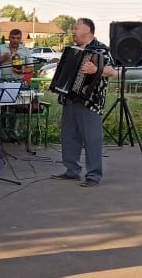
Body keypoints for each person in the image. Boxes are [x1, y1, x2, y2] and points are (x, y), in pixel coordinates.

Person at [50, 17, 116, 187]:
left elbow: (112, 71)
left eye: (76, 28)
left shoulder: (101, 50)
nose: (73, 31)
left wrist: (96, 69)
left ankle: (93, 175)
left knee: (92, 139)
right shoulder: (73, 50)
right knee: (69, 137)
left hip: (90, 101)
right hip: (70, 98)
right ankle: (71, 171)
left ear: (87, 30)